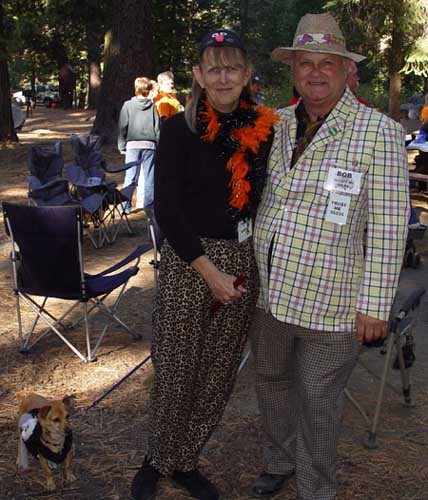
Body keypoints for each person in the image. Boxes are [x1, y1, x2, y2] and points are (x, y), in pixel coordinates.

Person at [251, 13, 409, 500]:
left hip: (334, 299)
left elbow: (388, 223)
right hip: (269, 292)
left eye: (327, 63)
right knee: (271, 380)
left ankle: (316, 489)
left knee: (319, 400)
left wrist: (375, 305)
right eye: (305, 63)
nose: (315, 72)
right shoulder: (274, 123)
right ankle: (279, 460)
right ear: (293, 70)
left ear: (345, 70)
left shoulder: (377, 131)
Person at [130, 29, 277, 500]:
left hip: (242, 258)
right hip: (188, 260)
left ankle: (186, 459)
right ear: (197, 75)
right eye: (213, 67)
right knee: (176, 367)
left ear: (247, 73)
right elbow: (167, 210)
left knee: (217, 373)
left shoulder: (266, 128)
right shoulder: (178, 128)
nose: (223, 76)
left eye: (232, 67)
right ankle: (157, 459)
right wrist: (208, 272)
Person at [118, 77, 160, 214]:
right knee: (149, 177)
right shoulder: (153, 106)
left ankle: (125, 205)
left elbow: (122, 127)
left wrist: (122, 145)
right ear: (148, 90)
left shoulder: (128, 105)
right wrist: (158, 145)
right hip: (150, 145)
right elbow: (157, 128)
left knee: (130, 176)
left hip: (132, 145)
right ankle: (149, 206)